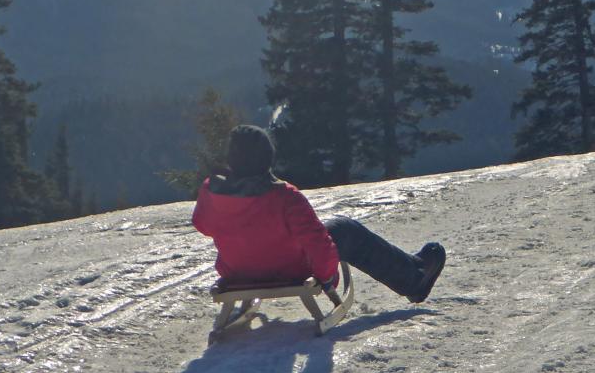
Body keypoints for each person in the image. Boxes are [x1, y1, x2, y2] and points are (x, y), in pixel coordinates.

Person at [191, 124, 446, 304]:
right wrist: (327, 277)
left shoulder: (212, 190)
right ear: (267, 159)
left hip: (237, 271)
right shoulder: (283, 196)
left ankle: (414, 272)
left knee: (331, 231)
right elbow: (317, 243)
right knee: (346, 230)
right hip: (292, 270)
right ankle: (414, 279)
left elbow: (201, 224)